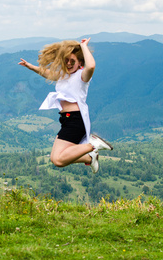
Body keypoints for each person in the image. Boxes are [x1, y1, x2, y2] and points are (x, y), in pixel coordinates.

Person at [18, 38, 113, 173]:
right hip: (67, 120)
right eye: (66, 60)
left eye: (72, 61)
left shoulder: (82, 76)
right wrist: (30, 66)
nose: (68, 63)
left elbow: (91, 66)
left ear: (80, 62)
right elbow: (49, 74)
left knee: (58, 160)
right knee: (55, 158)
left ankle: (92, 145)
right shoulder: (64, 76)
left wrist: (83, 46)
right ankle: (89, 157)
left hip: (75, 120)